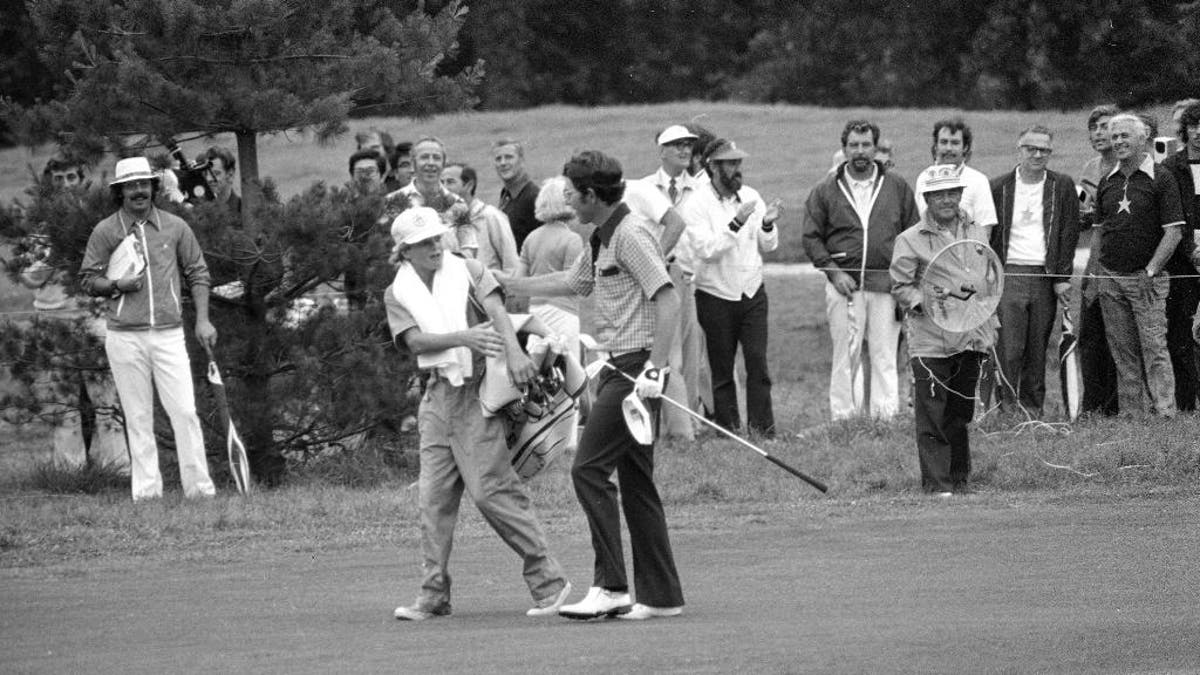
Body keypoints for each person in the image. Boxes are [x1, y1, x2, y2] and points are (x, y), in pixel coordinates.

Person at [498, 150, 686, 621]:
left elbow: (667, 299)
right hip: (623, 367)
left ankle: (613, 585)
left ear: (592, 195)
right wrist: (504, 282)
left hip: (636, 372)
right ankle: (662, 597)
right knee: (636, 481)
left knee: (587, 469)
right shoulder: (601, 236)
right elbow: (574, 283)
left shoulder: (631, 235)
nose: (567, 203)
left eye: (572, 195)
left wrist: (656, 370)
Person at [384, 207, 571, 622]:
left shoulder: (467, 267)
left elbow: (499, 315)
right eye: (423, 243)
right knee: (432, 500)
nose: (435, 247)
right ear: (404, 251)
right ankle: (433, 594)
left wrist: (516, 353)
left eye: (436, 238)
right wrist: (464, 338)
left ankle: (550, 584)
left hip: (479, 394)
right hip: (436, 398)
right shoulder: (397, 292)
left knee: (493, 491)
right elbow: (414, 342)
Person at [78, 156, 218, 501]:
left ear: (153, 187)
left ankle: (199, 491)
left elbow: (198, 273)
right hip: (124, 335)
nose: (138, 191)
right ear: (121, 192)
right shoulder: (106, 230)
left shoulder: (175, 226)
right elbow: (87, 279)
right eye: (131, 185)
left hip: (169, 333)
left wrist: (202, 319)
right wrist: (115, 285)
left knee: (185, 412)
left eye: (144, 184)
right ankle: (147, 495)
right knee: (138, 417)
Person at [890, 164, 997, 496]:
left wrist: (989, 314)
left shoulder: (977, 231)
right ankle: (937, 486)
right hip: (931, 341)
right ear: (927, 199)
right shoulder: (909, 240)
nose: (948, 200)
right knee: (932, 414)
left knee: (960, 412)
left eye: (953, 193)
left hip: (971, 336)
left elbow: (988, 277)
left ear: (962, 195)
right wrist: (921, 301)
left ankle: (960, 480)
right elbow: (900, 286)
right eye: (940, 194)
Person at [802, 120, 918, 420]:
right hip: (845, 285)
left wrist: (903, 279)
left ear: (876, 149)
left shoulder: (896, 186)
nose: (860, 151)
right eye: (854, 145)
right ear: (844, 149)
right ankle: (845, 418)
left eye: (866, 145)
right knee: (846, 354)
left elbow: (912, 233)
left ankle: (885, 417)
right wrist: (834, 272)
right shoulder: (826, 189)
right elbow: (812, 236)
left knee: (884, 354)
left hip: (886, 286)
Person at [18, 157, 129, 470]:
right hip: (52, 318)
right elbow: (28, 276)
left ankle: (117, 467)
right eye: (58, 179)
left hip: (92, 315)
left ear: (82, 179)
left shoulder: (97, 221)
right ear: (49, 183)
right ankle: (68, 470)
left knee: (107, 399)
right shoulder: (38, 225)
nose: (65, 184)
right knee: (61, 402)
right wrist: (57, 245)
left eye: (71, 177)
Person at [678, 138, 781, 437]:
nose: (737, 170)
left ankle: (763, 429)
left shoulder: (751, 196)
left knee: (757, 364)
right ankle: (727, 430)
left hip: (752, 292)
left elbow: (769, 246)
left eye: (739, 163)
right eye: (730, 164)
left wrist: (767, 225)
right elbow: (706, 250)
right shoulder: (696, 204)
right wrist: (736, 223)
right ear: (713, 167)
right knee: (721, 369)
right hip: (715, 295)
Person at [1090, 114, 1185, 417]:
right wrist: (1096, 275)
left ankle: (1165, 412)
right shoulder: (1107, 180)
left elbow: (1174, 232)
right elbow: (1100, 231)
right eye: (1114, 136)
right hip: (1111, 279)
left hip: (1147, 281)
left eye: (1124, 136)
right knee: (1123, 352)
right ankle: (1133, 415)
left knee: (1154, 349)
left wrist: (1152, 270)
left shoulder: (1162, 178)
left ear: (1143, 138)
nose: (1117, 141)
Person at [988, 125, 1080, 416]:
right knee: (1009, 347)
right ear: (1020, 150)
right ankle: (1007, 409)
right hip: (1010, 273)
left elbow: (1068, 232)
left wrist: (1062, 278)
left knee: (1037, 347)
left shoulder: (1061, 185)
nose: (1038, 154)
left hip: (1044, 275)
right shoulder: (999, 186)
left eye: (1044, 150)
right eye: (1032, 149)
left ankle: (1033, 410)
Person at [1077, 104, 1122, 416]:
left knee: (1118, 339)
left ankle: (1118, 405)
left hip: (1120, 262)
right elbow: (1082, 215)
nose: (1098, 133)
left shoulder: (1127, 167)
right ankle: (1093, 406)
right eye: (1093, 128)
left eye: (1104, 126)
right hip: (1094, 263)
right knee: (1090, 337)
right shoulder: (1090, 168)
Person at [1160, 101, 1200, 411]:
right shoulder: (1172, 167)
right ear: (1184, 131)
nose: (1199, 133)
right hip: (1184, 262)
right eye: (1193, 126)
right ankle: (1186, 402)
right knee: (1180, 332)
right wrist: (1191, 251)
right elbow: (1174, 217)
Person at [517, 176, 584, 355]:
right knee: (570, 373)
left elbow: (519, 282)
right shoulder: (572, 239)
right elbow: (573, 283)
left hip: (536, 314)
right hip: (564, 313)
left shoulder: (531, 238)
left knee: (539, 373)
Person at [384, 137, 474, 256]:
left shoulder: (457, 204)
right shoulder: (392, 201)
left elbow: (469, 248)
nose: (431, 163)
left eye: (436, 158)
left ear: (443, 164)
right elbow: (385, 250)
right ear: (413, 163)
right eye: (424, 157)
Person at [913, 117, 999, 233]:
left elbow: (985, 228)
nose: (948, 148)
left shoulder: (978, 181)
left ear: (965, 147)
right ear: (936, 146)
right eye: (944, 142)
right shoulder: (924, 178)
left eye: (955, 143)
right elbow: (918, 223)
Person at [440, 162, 520, 273]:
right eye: (441, 182)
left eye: (450, 182)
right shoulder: (442, 221)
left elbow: (511, 263)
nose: (443, 188)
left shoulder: (490, 216)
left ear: (469, 185)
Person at [494, 138, 540, 251]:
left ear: (522, 161)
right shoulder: (506, 194)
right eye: (498, 159)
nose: (503, 163)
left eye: (509, 157)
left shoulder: (534, 197)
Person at [202, 146, 240, 214]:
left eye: (216, 173)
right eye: (205, 174)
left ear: (230, 175)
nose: (208, 178)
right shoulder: (199, 211)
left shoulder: (244, 210)